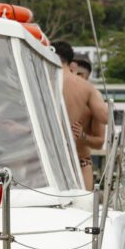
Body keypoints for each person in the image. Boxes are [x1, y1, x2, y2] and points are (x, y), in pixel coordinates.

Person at [52, 41, 108, 190]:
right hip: (62, 162)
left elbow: (100, 138)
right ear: (71, 64)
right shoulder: (88, 89)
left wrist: (83, 136)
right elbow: (107, 117)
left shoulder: (40, 80)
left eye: (82, 74)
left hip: (76, 161)